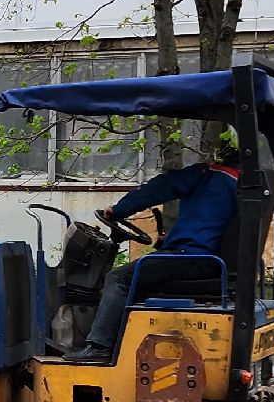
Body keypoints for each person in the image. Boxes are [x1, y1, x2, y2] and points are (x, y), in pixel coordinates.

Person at [61, 131, 243, 364]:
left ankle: (98, 346)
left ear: (222, 153)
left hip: (191, 257)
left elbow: (159, 188)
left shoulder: (208, 175)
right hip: (209, 260)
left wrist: (119, 210)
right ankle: (121, 346)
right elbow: (209, 223)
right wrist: (167, 242)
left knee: (119, 278)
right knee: (144, 276)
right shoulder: (243, 185)